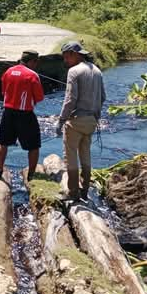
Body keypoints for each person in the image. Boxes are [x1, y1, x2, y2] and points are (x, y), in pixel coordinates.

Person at [56, 41, 106, 200]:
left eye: (66, 57)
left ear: (74, 54)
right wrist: (96, 116)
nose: (65, 61)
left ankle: (72, 192)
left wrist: (61, 120)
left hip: (76, 121)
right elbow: (103, 97)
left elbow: (70, 99)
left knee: (70, 156)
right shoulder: (97, 71)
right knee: (85, 155)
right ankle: (84, 190)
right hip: (92, 121)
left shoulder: (74, 71)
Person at [0, 50, 44, 181]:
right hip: (25, 114)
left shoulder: (8, 72)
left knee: (3, 142)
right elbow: (39, 97)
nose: (37, 65)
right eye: (36, 62)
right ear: (32, 61)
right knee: (34, 145)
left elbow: (4, 91)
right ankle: (31, 175)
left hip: (8, 112)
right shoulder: (33, 75)